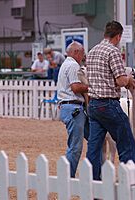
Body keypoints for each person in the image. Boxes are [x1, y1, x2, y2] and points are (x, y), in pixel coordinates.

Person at [86, 20, 135, 180]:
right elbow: (122, 81)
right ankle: (128, 180)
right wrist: (129, 79)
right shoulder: (113, 51)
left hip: (93, 104)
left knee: (94, 147)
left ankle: (94, 182)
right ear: (118, 36)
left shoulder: (92, 51)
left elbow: (99, 77)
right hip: (108, 103)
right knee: (127, 141)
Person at [57, 41, 89, 178]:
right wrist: (92, 86)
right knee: (75, 147)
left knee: (94, 139)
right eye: (82, 53)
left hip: (70, 107)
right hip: (74, 108)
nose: (83, 56)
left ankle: (95, 172)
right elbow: (75, 87)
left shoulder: (66, 64)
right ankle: (67, 177)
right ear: (76, 52)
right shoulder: (73, 65)